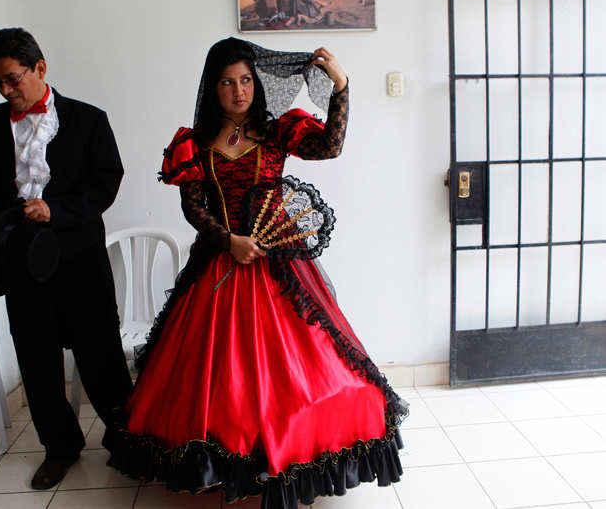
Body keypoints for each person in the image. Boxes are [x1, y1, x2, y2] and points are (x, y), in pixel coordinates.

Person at [107, 38, 407, 509]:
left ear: (257, 83)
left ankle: (292, 447)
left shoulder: (276, 132)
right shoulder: (194, 144)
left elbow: (330, 146)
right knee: (217, 370)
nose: (239, 90)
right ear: (213, 88)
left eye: (246, 80)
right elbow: (193, 208)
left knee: (303, 360)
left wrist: (341, 85)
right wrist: (229, 242)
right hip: (222, 260)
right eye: (227, 82)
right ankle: (232, 460)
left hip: (280, 260)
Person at [0, 28, 133, 490]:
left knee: (101, 354)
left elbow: (106, 183)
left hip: (80, 256)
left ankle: (128, 440)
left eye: (13, 79)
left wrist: (57, 210)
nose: (7, 90)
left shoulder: (89, 119)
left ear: (40, 68)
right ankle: (60, 448)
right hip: (21, 260)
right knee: (36, 357)